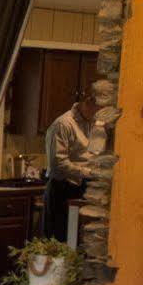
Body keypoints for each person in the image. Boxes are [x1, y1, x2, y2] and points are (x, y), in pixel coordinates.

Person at [43, 88, 97, 241]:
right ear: (87, 103)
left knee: (77, 243)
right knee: (58, 242)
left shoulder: (93, 124)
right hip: (62, 189)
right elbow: (58, 163)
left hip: (83, 189)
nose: (97, 114)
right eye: (97, 109)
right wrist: (89, 172)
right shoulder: (63, 124)